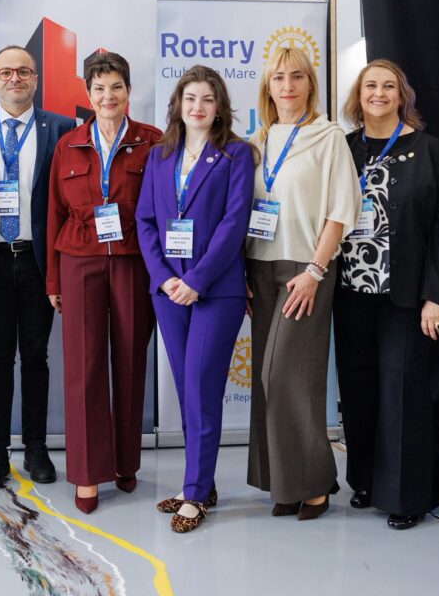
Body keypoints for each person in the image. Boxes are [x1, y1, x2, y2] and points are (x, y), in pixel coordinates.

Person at [333, 60, 439, 530]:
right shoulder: (343, 149)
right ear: (358, 95)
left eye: (389, 86)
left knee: (402, 390)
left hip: (406, 295)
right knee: (359, 391)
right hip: (349, 292)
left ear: (402, 96)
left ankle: (406, 496)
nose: (379, 93)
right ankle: (366, 480)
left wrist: (437, 297)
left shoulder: (431, 152)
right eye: (370, 85)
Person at [136, 66, 256, 532]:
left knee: (202, 386)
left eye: (207, 99)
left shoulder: (235, 154)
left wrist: (197, 280)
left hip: (215, 291)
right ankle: (200, 484)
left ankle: (195, 492)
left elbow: (234, 223)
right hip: (169, 291)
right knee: (189, 389)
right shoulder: (160, 155)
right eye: (190, 98)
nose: (198, 107)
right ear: (178, 105)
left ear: (219, 106)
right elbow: (146, 221)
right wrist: (165, 278)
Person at [245, 45, 359, 521]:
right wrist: (240, 272)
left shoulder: (328, 137)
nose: (287, 85)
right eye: (278, 77)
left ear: (311, 83)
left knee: (288, 376)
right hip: (259, 267)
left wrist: (315, 271)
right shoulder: (256, 141)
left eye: (296, 76)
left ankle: (314, 482)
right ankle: (284, 483)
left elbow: (340, 210)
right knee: (267, 379)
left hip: (305, 268)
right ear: (267, 86)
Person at [45, 50, 161, 514]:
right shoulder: (69, 144)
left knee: (130, 360)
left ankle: (125, 462)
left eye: (116, 87)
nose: (108, 96)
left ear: (128, 91)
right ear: (88, 94)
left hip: (135, 261)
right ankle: (88, 473)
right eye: (99, 88)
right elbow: (54, 212)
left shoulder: (153, 141)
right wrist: (53, 278)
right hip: (80, 261)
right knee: (84, 366)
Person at [0, 45, 74, 489]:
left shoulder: (60, 128)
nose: (15, 79)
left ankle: (37, 448)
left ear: (35, 79)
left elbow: (66, 201)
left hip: (39, 259)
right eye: (5, 72)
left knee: (37, 356)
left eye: (24, 71)